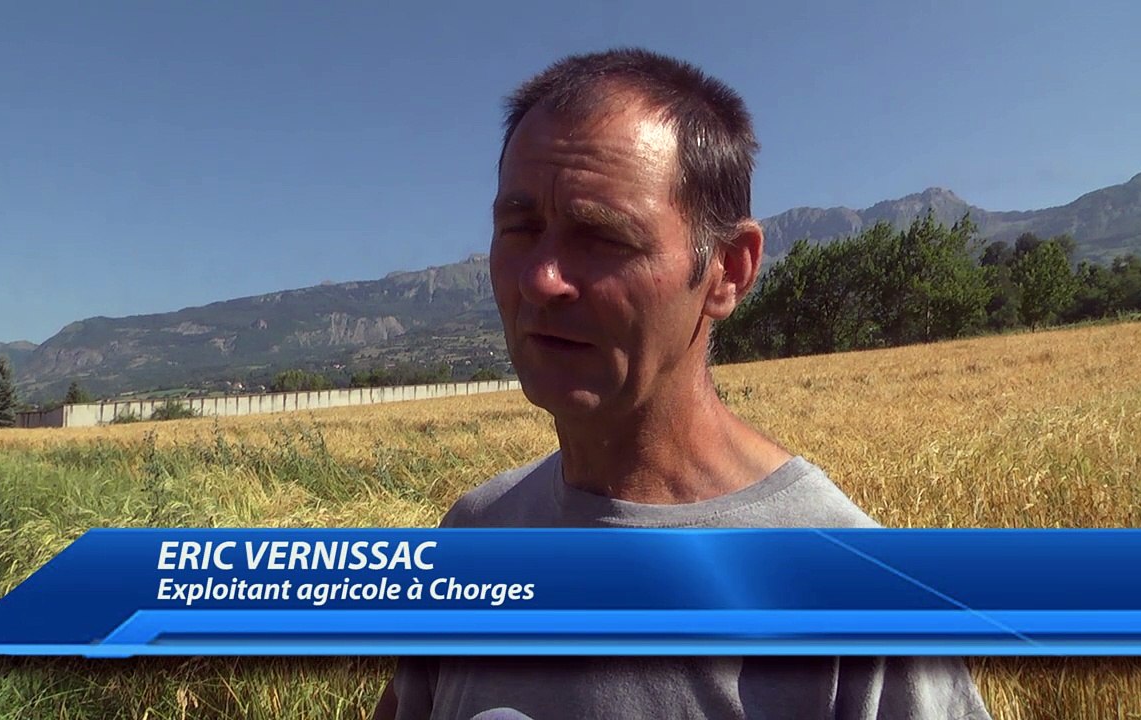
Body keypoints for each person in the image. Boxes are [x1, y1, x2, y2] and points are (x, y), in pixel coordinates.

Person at [374, 47, 991, 720]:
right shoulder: (475, 534)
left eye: (603, 237)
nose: (540, 279)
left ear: (728, 270)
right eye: (520, 228)